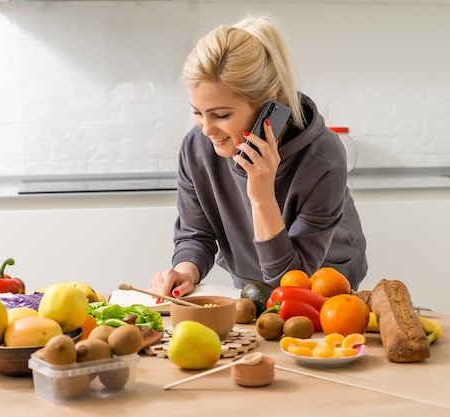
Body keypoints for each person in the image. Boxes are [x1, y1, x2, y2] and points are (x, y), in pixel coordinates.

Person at [149, 15, 367, 300]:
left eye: (221, 115)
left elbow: (290, 285)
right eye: (197, 112)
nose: (206, 128)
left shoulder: (322, 157)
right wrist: (185, 270)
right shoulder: (196, 148)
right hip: (252, 289)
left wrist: (262, 195)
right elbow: (196, 233)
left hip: (326, 289)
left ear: (268, 102)